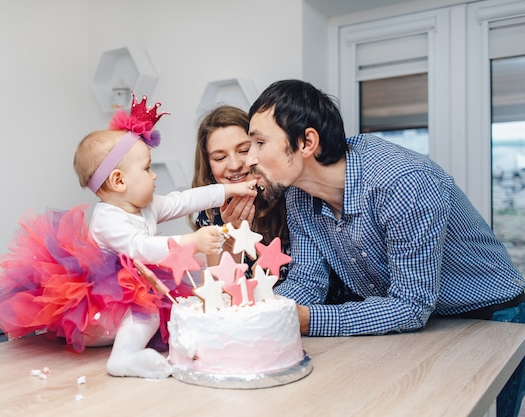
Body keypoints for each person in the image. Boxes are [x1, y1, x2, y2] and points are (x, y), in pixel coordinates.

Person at [245, 79, 525, 417]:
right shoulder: (299, 195)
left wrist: (305, 320)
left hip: (493, 315)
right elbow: (308, 281)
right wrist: (265, 312)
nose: (249, 159)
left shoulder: (402, 182)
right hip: (425, 322)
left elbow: (410, 304)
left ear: (307, 142)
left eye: (259, 142)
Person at [73, 93, 257, 379]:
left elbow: (183, 200)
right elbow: (139, 247)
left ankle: (135, 350)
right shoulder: (107, 219)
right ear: (119, 181)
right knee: (145, 302)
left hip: (130, 297)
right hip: (102, 308)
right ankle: (122, 357)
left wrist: (229, 191)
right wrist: (190, 242)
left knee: (151, 302)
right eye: (147, 169)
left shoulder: (145, 206)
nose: (154, 176)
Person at [189, 105, 290, 278]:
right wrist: (231, 236)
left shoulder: (286, 194)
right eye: (220, 158)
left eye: (244, 150)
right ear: (208, 167)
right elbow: (223, 287)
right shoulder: (211, 212)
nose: (235, 165)